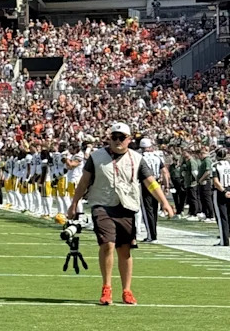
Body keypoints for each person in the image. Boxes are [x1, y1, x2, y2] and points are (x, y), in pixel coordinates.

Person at [67, 121, 175, 306]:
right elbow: (84, 182)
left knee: (124, 250)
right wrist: (74, 203)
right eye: (114, 137)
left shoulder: (137, 159)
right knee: (107, 244)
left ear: (129, 139)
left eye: (121, 137)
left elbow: (150, 182)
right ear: (109, 138)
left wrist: (164, 202)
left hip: (126, 206)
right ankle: (106, 287)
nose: (117, 141)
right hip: (102, 203)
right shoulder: (96, 157)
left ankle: (127, 289)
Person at [137, 136, 167, 243]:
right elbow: (164, 171)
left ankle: (151, 235)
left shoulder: (140, 157)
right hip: (156, 183)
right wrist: (166, 185)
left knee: (147, 209)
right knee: (154, 209)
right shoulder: (157, 157)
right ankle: (153, 233)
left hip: (145, 184)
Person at [212, 147, 230, 247]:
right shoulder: (229, 164)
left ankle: (224, 241)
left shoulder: (215, 165)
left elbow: (215, 181)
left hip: (220, 192)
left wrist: (224, 191)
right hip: (229, 188)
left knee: (221, 216)